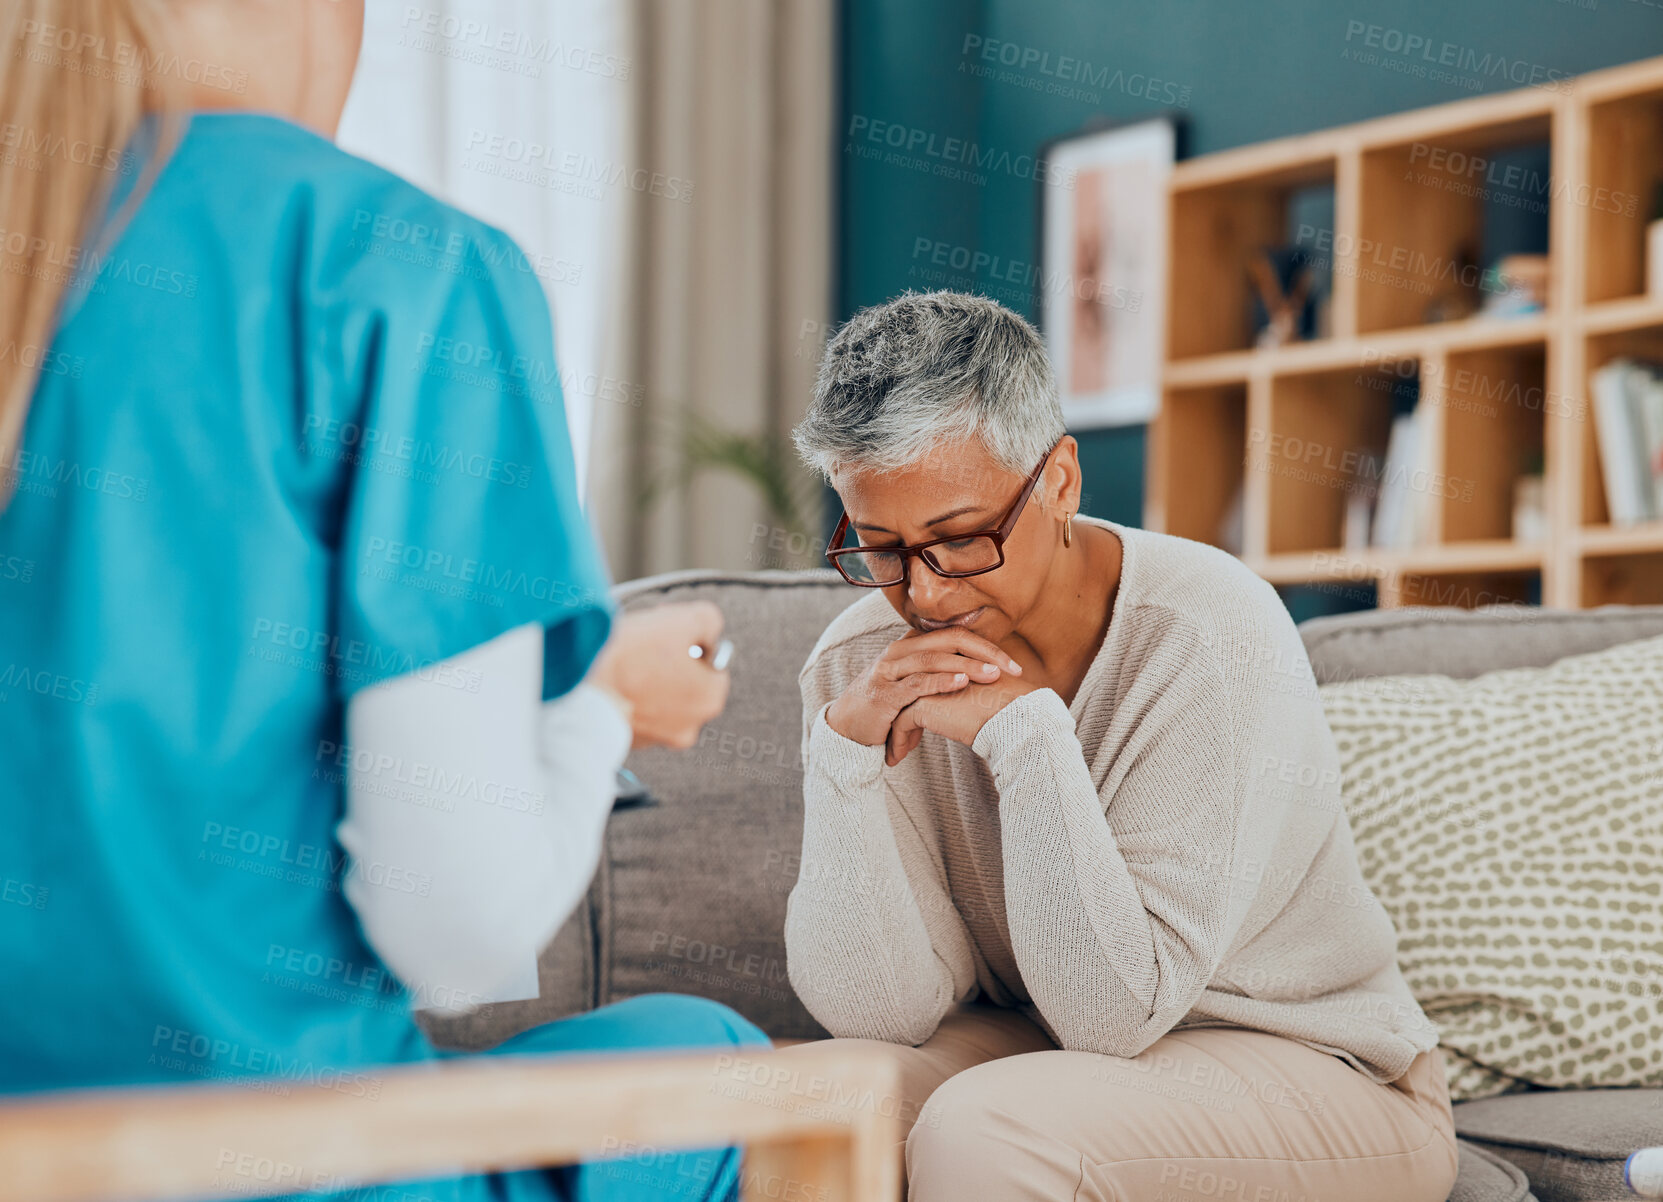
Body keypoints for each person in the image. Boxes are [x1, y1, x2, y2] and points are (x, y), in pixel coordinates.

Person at [0, 2, 766, 1200]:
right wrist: (601, 699)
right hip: (280, 1164)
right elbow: (454, 931)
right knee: (723, 1069)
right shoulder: (402, 271)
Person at [781, 290, 1460, 1201]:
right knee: (820, 1103)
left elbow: (1115, 1011)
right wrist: (843, 763)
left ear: (1059, 480)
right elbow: (882, 1016)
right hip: (1044, 1043)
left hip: (1317, 1066)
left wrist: (1027, 737)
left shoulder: (1207, 632)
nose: (928, 596)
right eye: (882, 549)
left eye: (960, 540)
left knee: (988, 1130)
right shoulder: (861, 668)